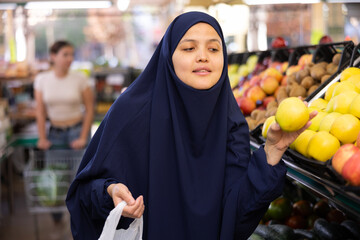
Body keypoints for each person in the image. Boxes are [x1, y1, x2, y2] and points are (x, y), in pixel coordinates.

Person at [66, 12, 315, 240]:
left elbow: (237, 217)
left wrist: (272, 151)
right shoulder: (131, 112)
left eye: (214, 48)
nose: (203, 56)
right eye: (189, 48)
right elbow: (83, 193)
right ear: (168, 55)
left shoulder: (231, 123)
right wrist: (110, 192)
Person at [34, 40, 94, 150]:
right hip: (54, 134)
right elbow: (40, 111)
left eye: (72, 55)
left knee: (80, 167)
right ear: (53, 56)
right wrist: (42, 138)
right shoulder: (41, 79)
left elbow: (89, 109)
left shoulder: (81, 78)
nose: (70, 58)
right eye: (65, 54)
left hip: (77, 132)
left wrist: (83, 137)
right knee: (55, 167)